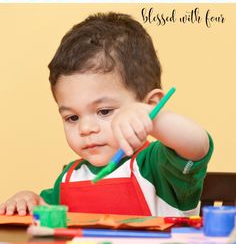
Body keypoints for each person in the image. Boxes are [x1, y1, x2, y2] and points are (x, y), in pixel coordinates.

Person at [0, 12, 213, 217]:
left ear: (150, 104)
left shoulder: (158, 164)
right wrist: (28, 200)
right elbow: (44, 215)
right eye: (72, 117)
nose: (86, 129)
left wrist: (152, 118)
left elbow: (198, 145)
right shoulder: (69, 178)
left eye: (104, 111)